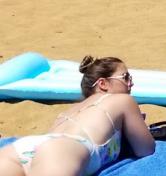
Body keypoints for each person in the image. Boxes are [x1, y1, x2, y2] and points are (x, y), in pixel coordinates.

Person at [0, 54, 154, 175]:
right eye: (125, 77)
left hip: (25, 147)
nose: (131, 83)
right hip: (64, 150)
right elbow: (146, 149)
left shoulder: (69, 111)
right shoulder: (123, 100)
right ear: (103, 84)